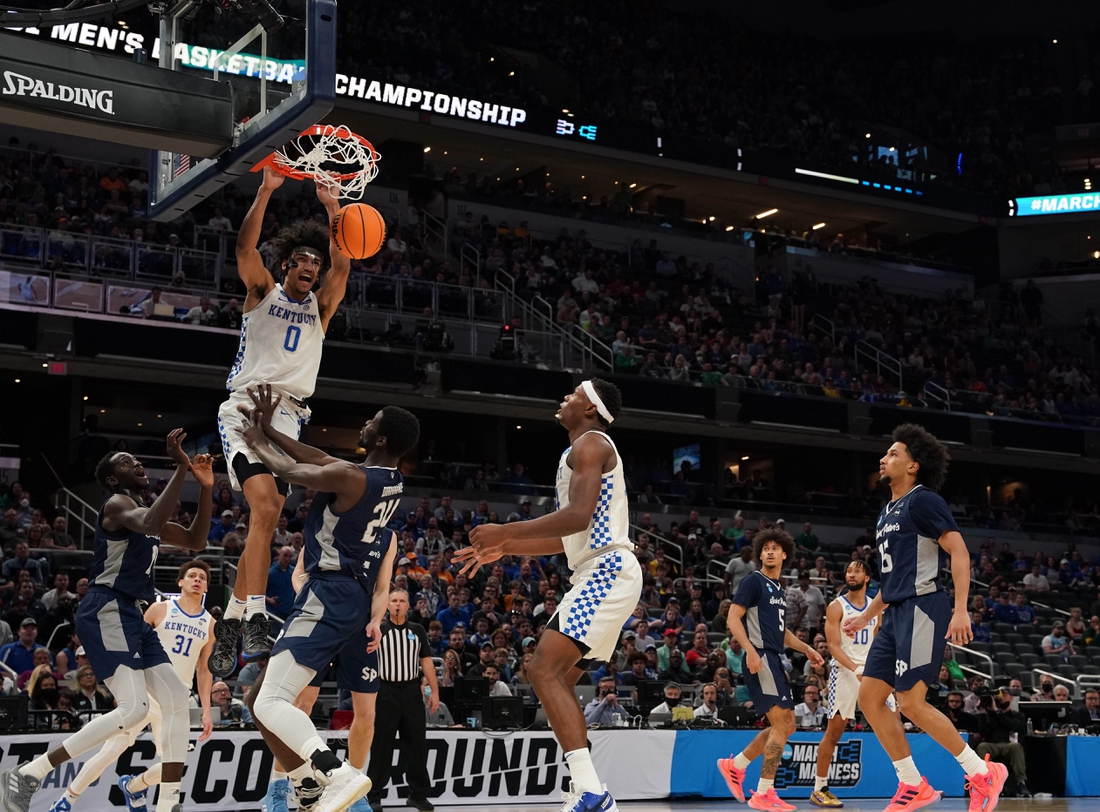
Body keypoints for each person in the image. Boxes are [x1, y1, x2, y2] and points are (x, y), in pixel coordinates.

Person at [455, 379, 643, 812]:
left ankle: (593, 791)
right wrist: (503, 549)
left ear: (591, 408)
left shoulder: (591, 444)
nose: (565, 398)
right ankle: (584, 786)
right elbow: (568, 537)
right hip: (597, 570)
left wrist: (505, 530)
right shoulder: (578, 452)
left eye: (574, 393)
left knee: (540, 669)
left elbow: (576, 516)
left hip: (607, 570)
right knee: (556, 680)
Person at [0, 432, 212, 812]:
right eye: (127, 462)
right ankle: (30, 771)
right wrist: (182, 467)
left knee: (179, 698)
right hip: (106, 606)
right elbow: (150, 520)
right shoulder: (117, 505)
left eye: (136, 459)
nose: (137, 464)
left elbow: (196, 541)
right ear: (114, 479)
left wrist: (207, 488)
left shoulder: (146, 512)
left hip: (131, 611)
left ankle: (167, 803)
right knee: (133, 710)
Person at [236, 387, 415, 812]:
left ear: (382, 438)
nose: (364, 424)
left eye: (372, 420)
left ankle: (336, 773)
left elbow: (294, 472)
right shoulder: (388, 479)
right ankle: (304, 783)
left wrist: (258, 441)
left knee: (270, 701)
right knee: (259, 700)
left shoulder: (355, 479)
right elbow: (315, 456)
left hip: (329, 593)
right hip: (345, 598)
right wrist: (271, 432)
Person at [210, 166, 352, 676]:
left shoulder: (322, 308)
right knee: (266, 505)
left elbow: (344, 263)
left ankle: (232, 620)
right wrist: (267, 190)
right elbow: (245, 251)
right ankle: (252, 612)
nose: (312, 266)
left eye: (317, 261)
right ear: (288, 265)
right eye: (303, 260)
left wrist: (334, 209)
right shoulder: (262, 293)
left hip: (289, 418)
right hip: (248, 407)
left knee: (267, 519)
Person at [844, 424, 1005, 812]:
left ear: (913, 465)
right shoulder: (886, 513)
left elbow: (959, 551)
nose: (884, 458)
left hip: (923, 607)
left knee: (910, 702)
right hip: (895, 612)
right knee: (868, 698)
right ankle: (912, 784)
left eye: (894, 454)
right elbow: (891, 579)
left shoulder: (924, 501)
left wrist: (962, 608)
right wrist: (867, 615)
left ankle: (982, 772)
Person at [48, 560, 216, 812]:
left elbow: (204, 670)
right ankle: (66, 800)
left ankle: (133, 786)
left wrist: (205, 710)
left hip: (176, 701)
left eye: (202, 578)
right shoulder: (159, 609)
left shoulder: (210, 624)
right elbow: (132, 646)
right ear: (180, 582)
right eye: (192, 575)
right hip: (145, 691)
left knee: (174, 767)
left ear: (206, 588)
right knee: (109, 752)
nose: (197, 580)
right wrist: (126, 686)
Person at [717, 529, 823, 812]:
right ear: (760, 554)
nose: (771, 551)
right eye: (766, 548)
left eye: (776, 548)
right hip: (760, 657)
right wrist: (751, 651)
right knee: (783, 724)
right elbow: (733, 617)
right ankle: (763, 792)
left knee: (786, 724)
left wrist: (808, 649)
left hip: (774, 658)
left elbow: (783, 632)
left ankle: (735, 766)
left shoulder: (779, 588)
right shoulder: (754, 581)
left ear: (785, 554)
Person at [811, 559, 894, 808]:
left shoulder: (875, 607)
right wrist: (855, 668)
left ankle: (909, 782)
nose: (851, 574)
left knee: (895, 720)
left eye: (857, 570)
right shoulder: (837, 607)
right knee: (834, 732)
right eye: (848, 570)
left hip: (872, 672)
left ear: (867, 577)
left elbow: (879, 639)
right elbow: (833, 647)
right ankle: (819, 789)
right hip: (845, 673)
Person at [365, 590, 440, 812]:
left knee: (417, 745)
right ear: (387, 605)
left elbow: (426, 662)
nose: (398, 604)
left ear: (409, 606)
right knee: (381, 745)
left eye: (402, 601)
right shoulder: (378, 629)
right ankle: (374, 796)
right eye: (394, 600)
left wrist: (434, 692)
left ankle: (418, 795)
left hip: (411, 691)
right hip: (384, 691)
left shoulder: (417, 630)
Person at [974, 688, 1031, 798]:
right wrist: (981, 712)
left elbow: (1014, 726)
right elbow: (983, 733)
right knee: (982, 746)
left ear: (1011, 697)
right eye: (999, 695)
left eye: (1005, 695)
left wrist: (997, 711)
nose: (1002, 697)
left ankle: (1021, 782)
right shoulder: (989, 715)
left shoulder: (1017, 715)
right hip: (992, 745)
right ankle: (988, 781)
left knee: (1016, 747)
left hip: (1008, 744)